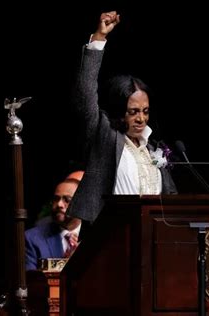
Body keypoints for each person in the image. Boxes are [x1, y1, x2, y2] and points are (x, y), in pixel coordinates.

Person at [67, 11, 177, 223]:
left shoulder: (153, 148)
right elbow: (85, 94)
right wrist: (99, 39)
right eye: (133, 111)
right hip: (111, 236)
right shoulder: (104, 136)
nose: (141, 118)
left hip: (152, 239)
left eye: (145, 111)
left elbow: (170, 199)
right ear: (119, 111)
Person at [25, 178, 82, 270]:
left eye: (67, 200)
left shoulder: (96, 236)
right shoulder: (31, 238)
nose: (59, 204)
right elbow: (32, 281)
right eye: (56, 199)